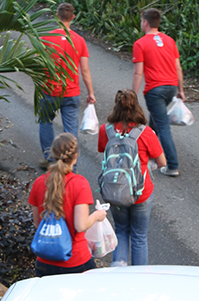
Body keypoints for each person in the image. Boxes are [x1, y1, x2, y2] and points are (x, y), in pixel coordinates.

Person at [97, 90, 166, 266]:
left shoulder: (106, 130)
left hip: (115, 191)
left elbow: (102, 150)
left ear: (115, 107)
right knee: (139, 237)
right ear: (137, 107)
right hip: (140, 192)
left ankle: (119, 273)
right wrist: (147, 166)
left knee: (121, 231)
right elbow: (162, 162)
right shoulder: (146, 132)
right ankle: (139, 279)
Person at [29, 133, 107, 277]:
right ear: (76, 155)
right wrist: (97, 215)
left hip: (45, 260)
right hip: (75, 260)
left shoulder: (39, 182)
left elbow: (37, 223)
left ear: (52, 154)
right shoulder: (79, 184)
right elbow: (80, 226)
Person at [39, 2, 96, 169]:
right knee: (70, 129)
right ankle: (70, 164)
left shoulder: (45, 38)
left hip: (49, 90)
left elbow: (37, 63)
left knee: (45, 122)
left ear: (57, 16)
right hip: (71, 92)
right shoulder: (79, 40)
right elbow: (85, 70)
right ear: (73, 17)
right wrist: (91, 92)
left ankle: (50, 160)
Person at [131, 8, 184, 177]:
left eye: (141, 21)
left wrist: (132, 95)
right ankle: (149, 155)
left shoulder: (140, 44)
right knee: (154, 123)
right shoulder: (169, 41)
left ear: (145, 22)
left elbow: (138, 73)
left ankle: (172, 165)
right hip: (171, 88)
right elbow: (178, 67)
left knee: (162, 126)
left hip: (155, 90)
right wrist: (181, 90)